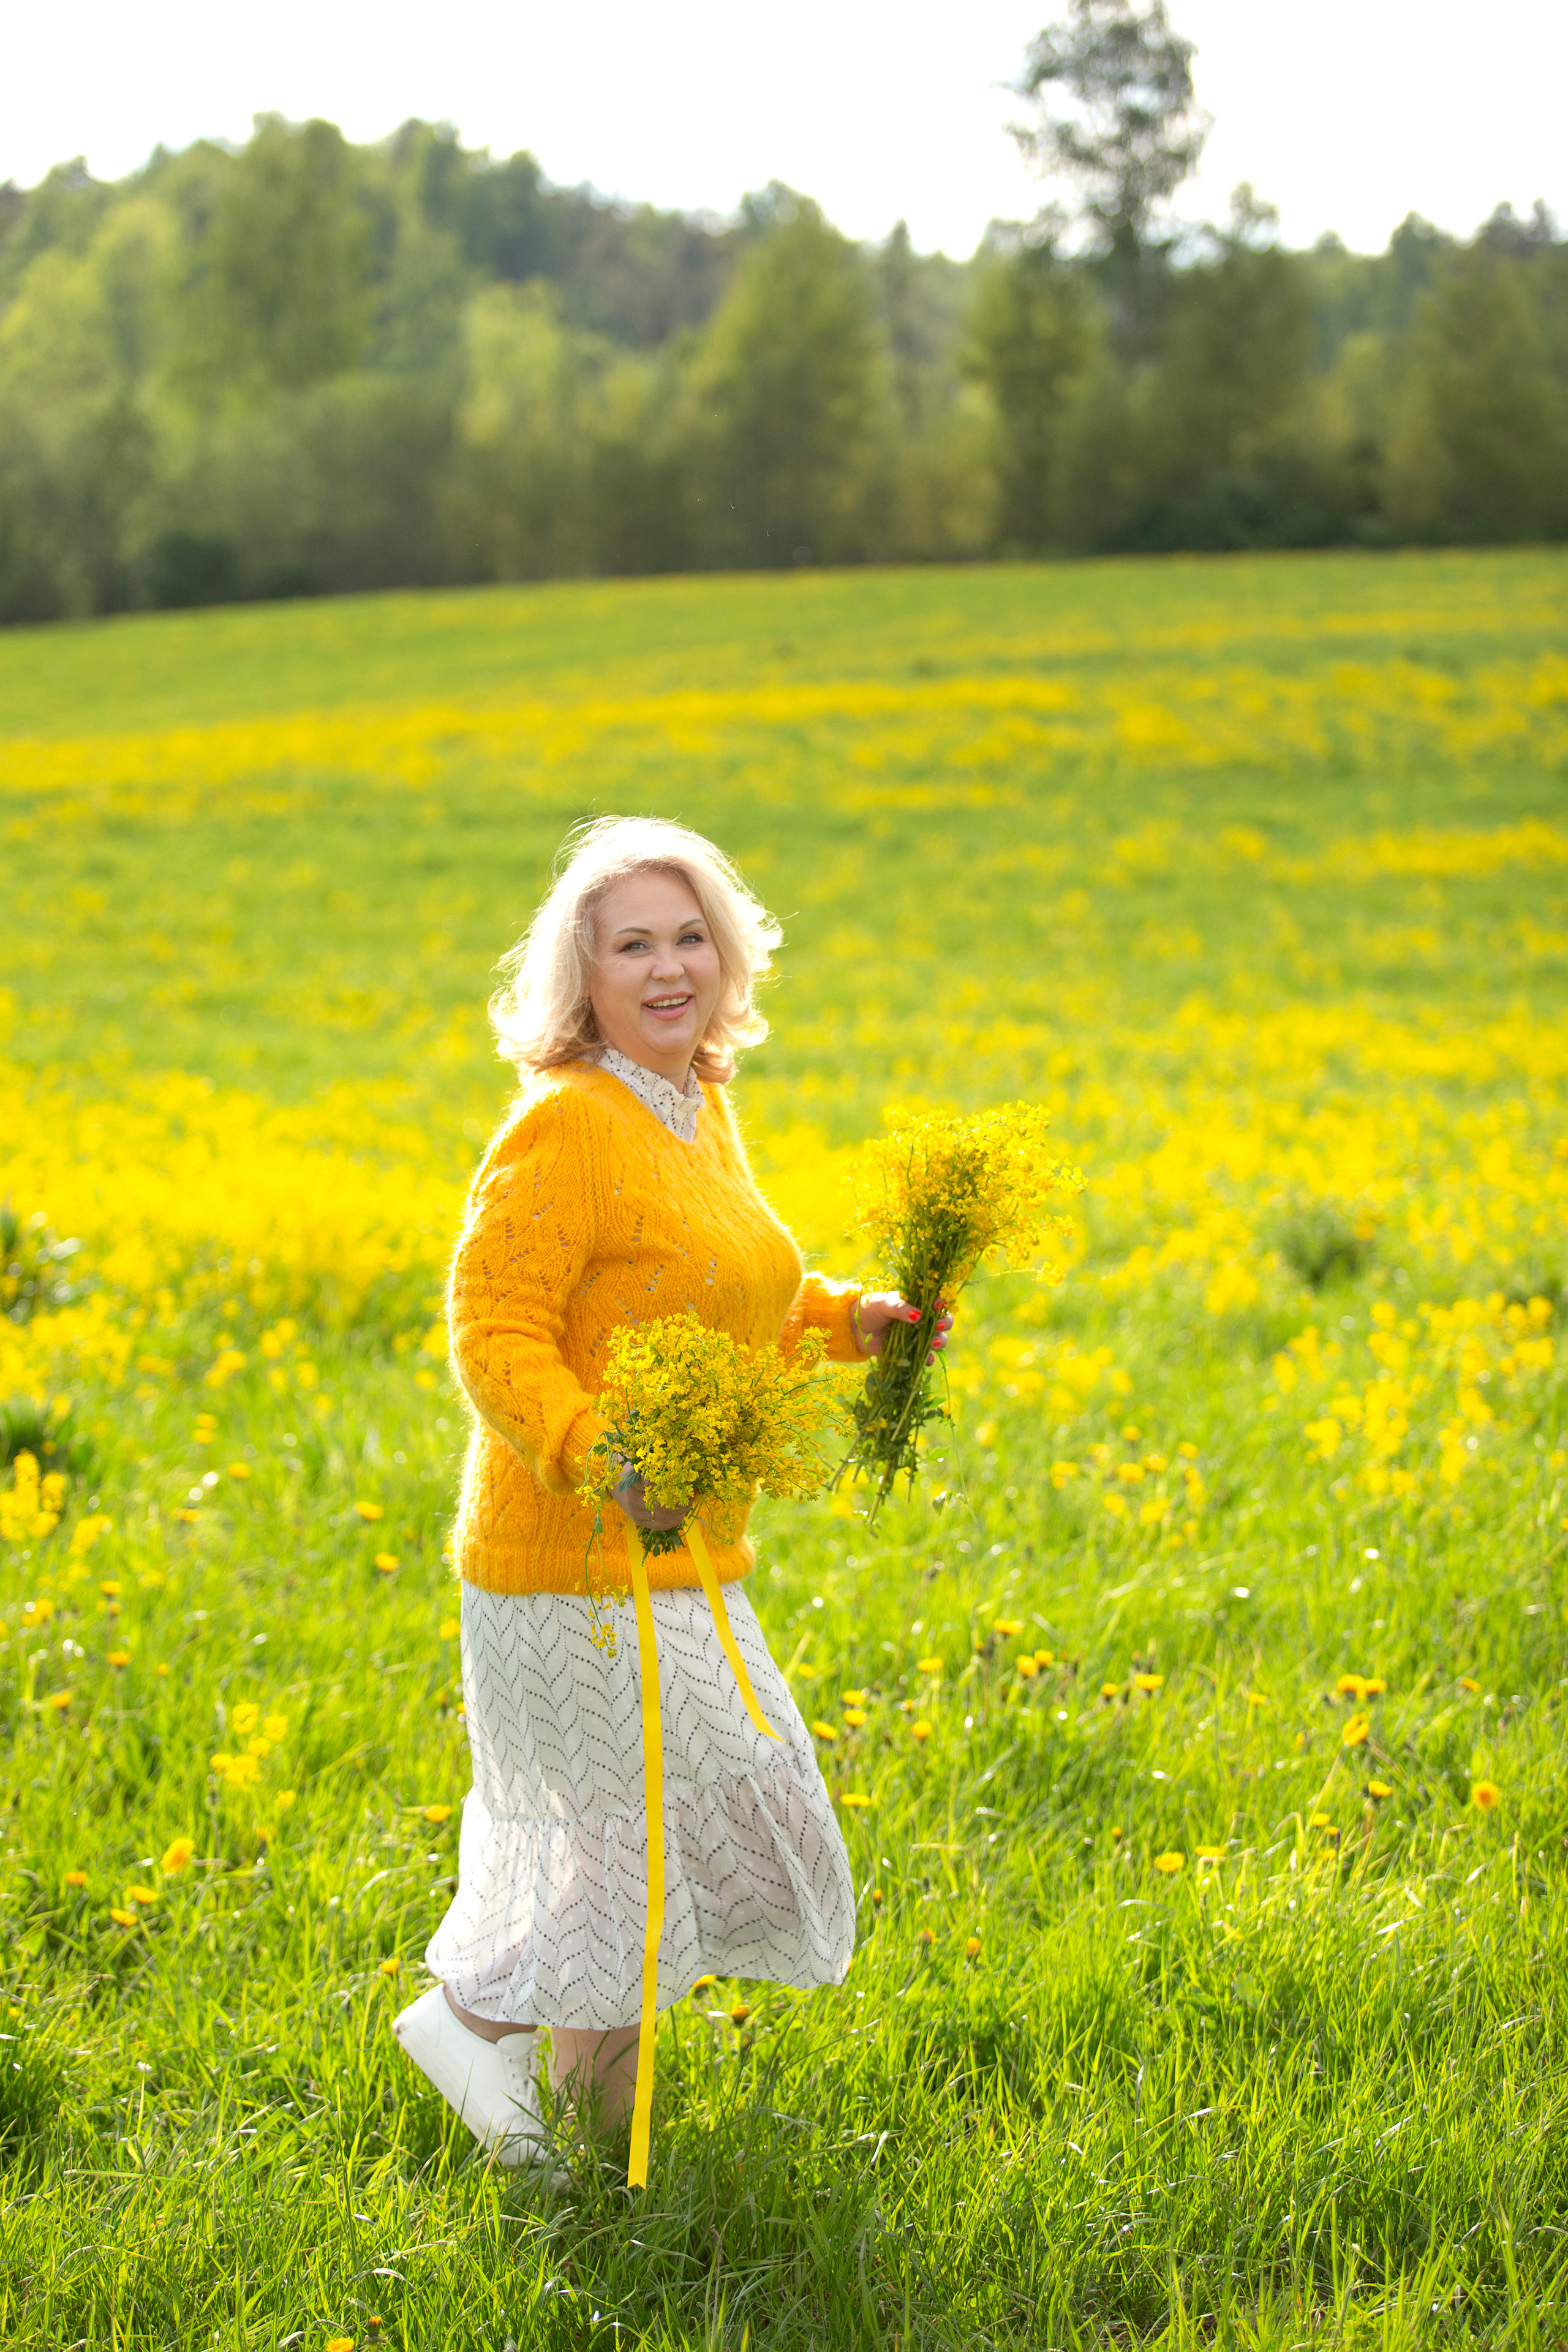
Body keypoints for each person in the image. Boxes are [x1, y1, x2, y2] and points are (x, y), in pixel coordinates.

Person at [392, 815, 951, 2166]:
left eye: (687, 936)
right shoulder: (567, 1124)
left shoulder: (695, 1105)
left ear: (727, 955)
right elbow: (492, 1327)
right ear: (578, 976)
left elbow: (727, 1291)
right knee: (622, 1856)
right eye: (630, 943)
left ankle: (474, 2026)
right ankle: (598, 2188)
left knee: (694, 1816)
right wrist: (595, 1452)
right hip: (562, 1559)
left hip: (679, 1546)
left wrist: (846, 1320)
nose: (666, 967)